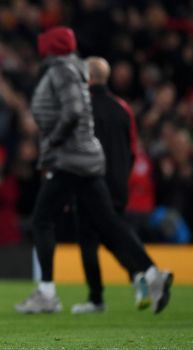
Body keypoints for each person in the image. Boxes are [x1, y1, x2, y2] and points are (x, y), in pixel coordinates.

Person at [14, 27, 172, 315]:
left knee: (41, 221)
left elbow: (72, 111)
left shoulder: (62, 70)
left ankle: (48, 293)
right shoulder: (78, 73)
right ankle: (152, 274)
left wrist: (55, 141)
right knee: (109, 224)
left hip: (69, 160)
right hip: (87, 161)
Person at [71, 57, 142, 313]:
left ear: (87, 77)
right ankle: (138, 275)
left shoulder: (81, 106)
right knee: (116, 236)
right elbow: (133, 149)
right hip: (118, 184)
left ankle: (96, 298)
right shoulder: (123, 108)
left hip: (89, 183)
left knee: (88, 240)